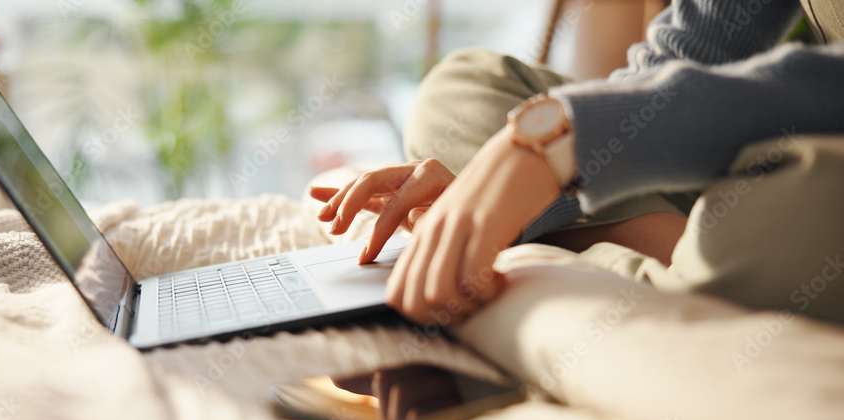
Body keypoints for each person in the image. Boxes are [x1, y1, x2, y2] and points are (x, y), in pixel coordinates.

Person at [310, 0, 844, 327]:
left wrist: (562, 147)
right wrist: (533, 156)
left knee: (792, 218)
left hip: (813, 172)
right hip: (736, 151)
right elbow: (681, 63)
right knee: (460, 87)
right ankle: (667, 255)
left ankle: (585, 247)